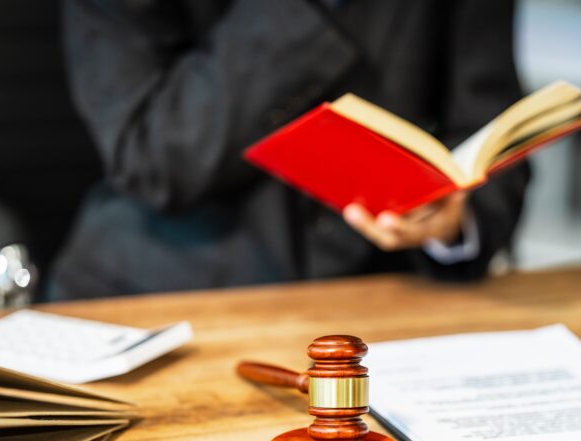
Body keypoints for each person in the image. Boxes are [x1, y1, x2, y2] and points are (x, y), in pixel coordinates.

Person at [49, 0, 530, 300]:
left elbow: (494, 133)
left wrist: (453, 223)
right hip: (160, 296)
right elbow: (152, 157)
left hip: (388, 305)